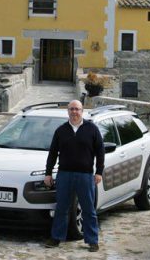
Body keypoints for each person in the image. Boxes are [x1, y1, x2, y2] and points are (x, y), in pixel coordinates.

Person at [43, 100, 104, 252]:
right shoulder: (61, 131)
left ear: (82, 111)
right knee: (62, 208)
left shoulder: (92, 129)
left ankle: (92, 240)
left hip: (85, 176)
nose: (74, 112)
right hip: (64, 174)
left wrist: (99, 172)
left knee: (88, 209)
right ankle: (56, 237)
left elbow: (100, 152)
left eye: (77, 109)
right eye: (71, 109)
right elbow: (52, 153)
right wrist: (48, 173)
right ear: (68, 111)